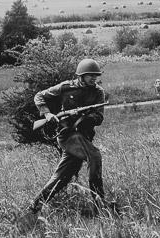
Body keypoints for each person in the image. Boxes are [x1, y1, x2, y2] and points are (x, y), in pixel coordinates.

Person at [26, 58, 109, 218]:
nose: (93, 78)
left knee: (61, 178)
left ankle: (33, 208)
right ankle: (100, 205)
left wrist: (85, 116)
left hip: (83, 138)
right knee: (95, 156)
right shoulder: (65, 87)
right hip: (67, 135)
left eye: (95, 75)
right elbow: (39, 96)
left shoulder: (98, 92)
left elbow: (99, 118)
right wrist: (48, 114)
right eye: (89, 75)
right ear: (81, 75)